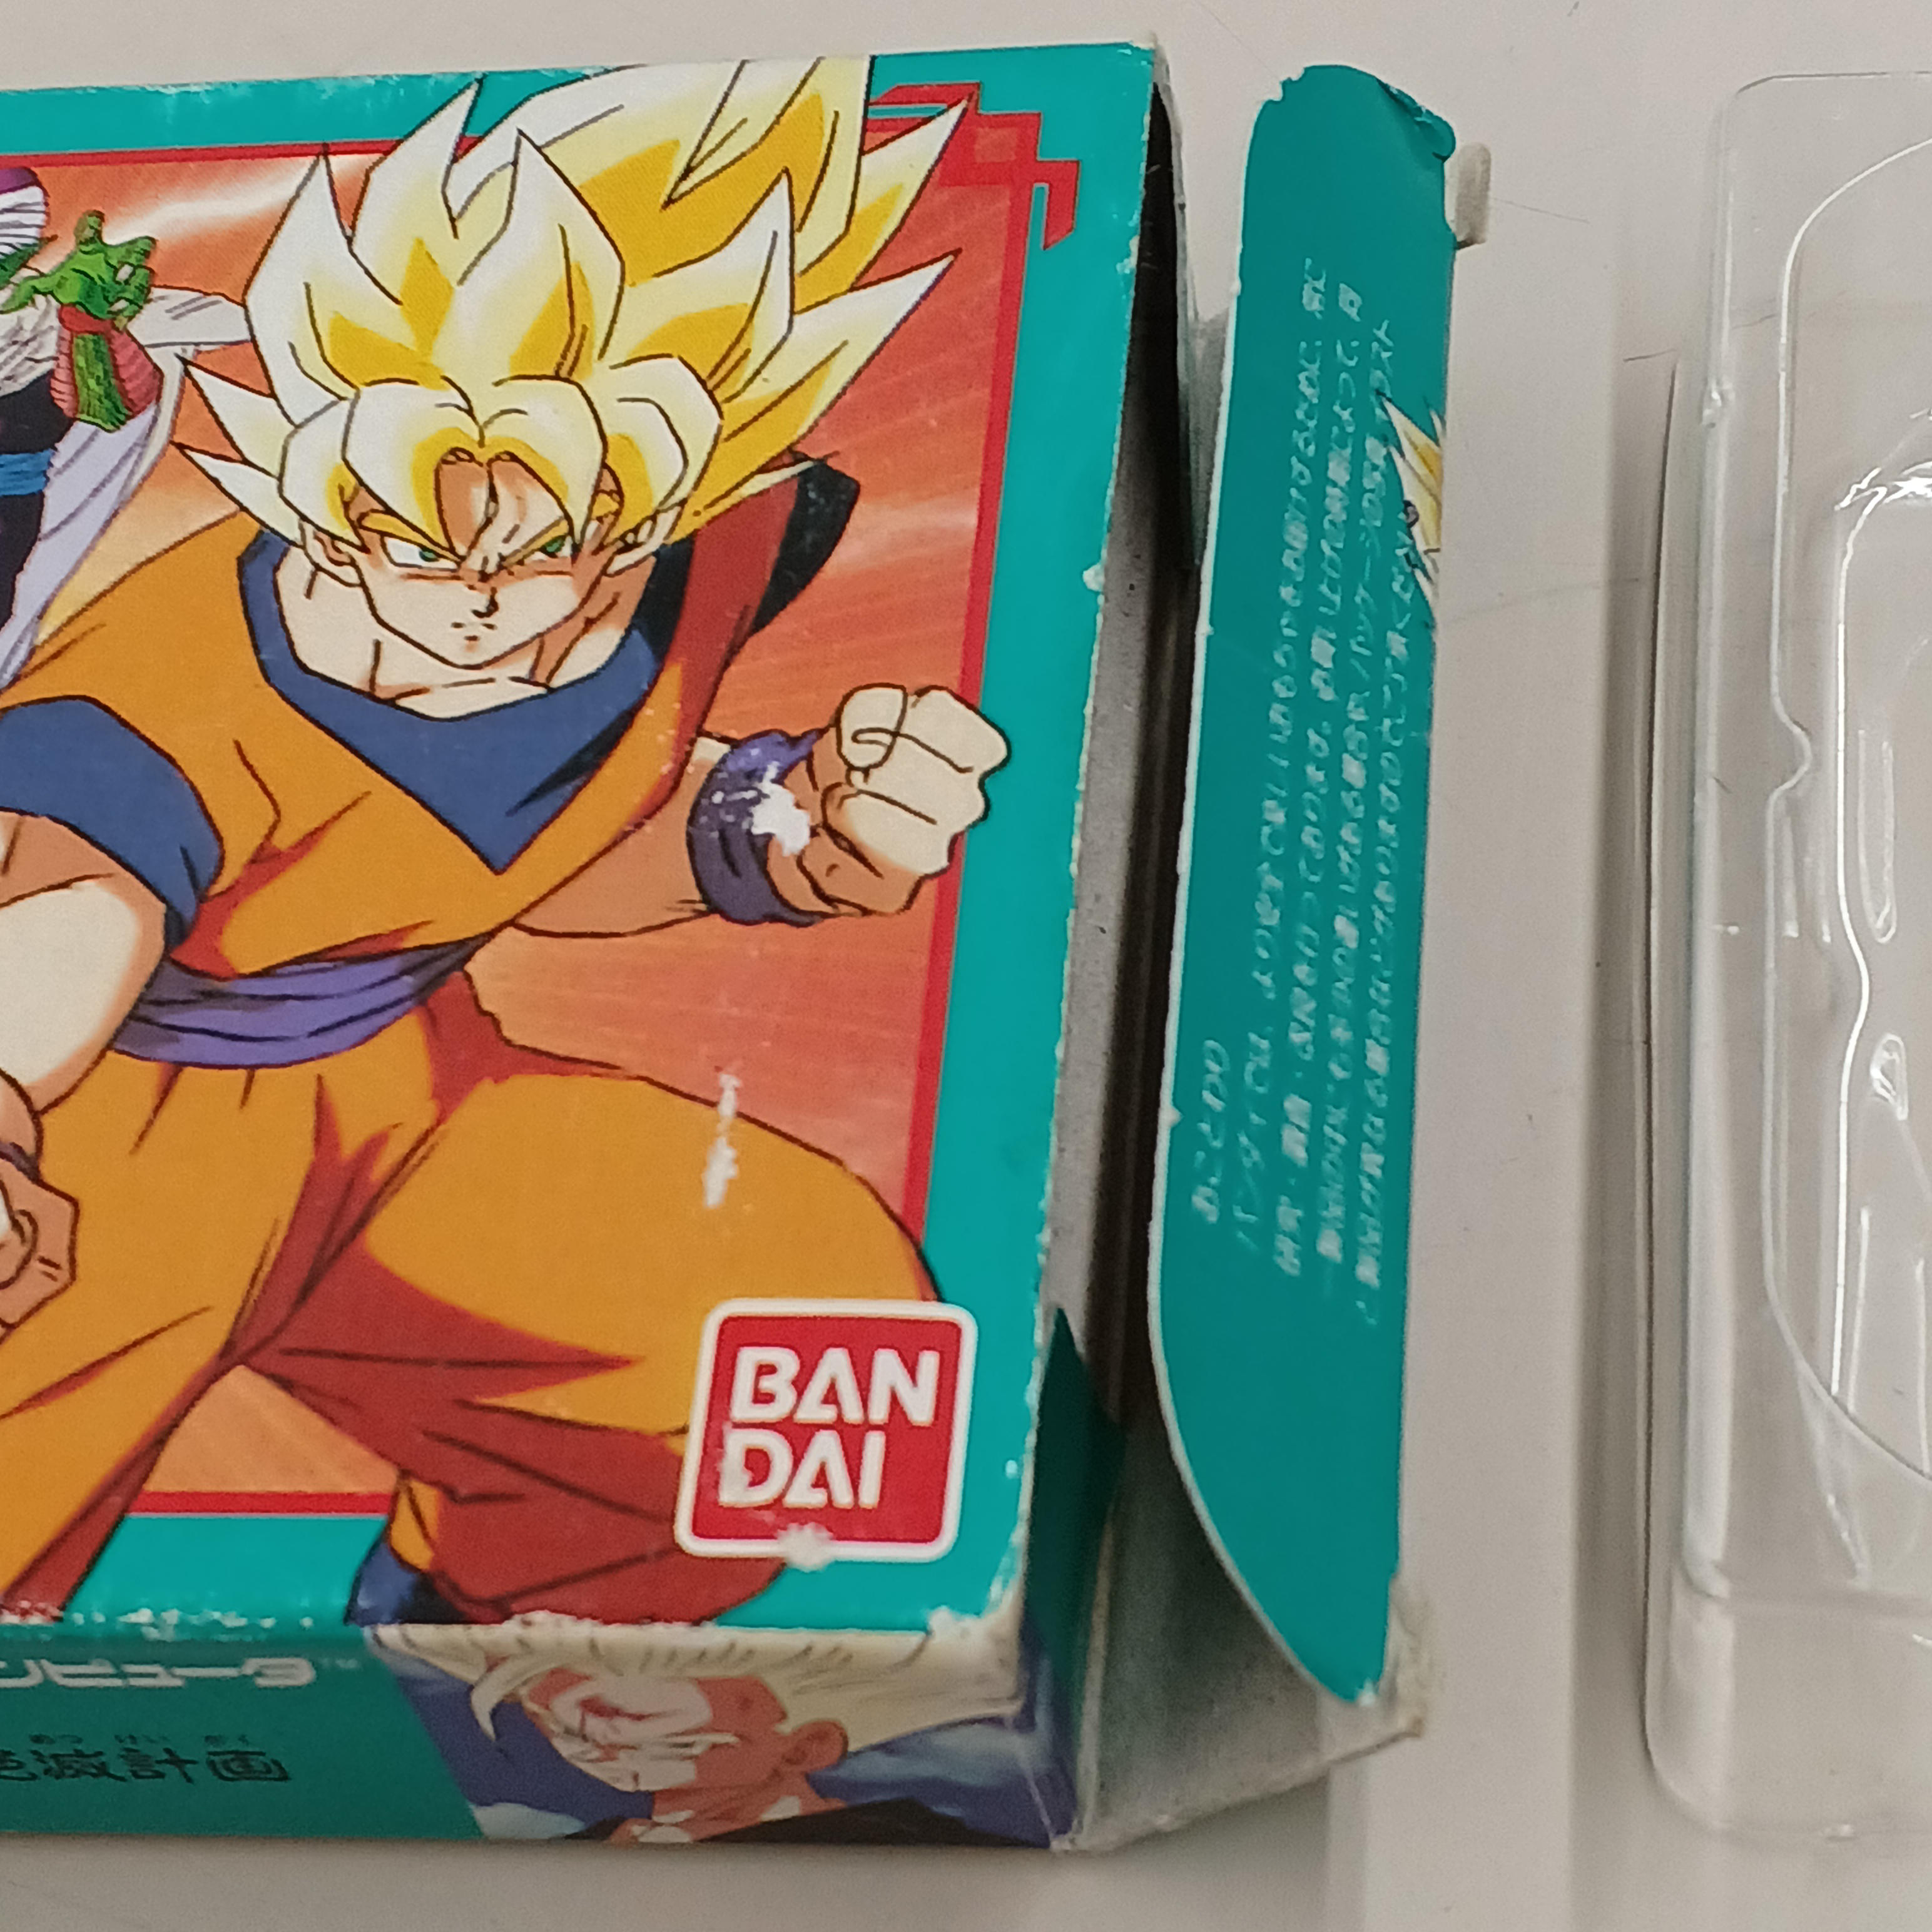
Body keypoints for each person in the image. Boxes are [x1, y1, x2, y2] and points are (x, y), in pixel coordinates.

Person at [0, 59, 1003, 1627]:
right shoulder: (149, 705)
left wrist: (783, 825)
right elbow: (67, 918)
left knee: (769, 1342)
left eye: (550, 544)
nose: (470, 601)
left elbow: (537, 838)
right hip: (101, 1149)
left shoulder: (689, 559)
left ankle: (446, 1700)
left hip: (402, 1098)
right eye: (400, 531)